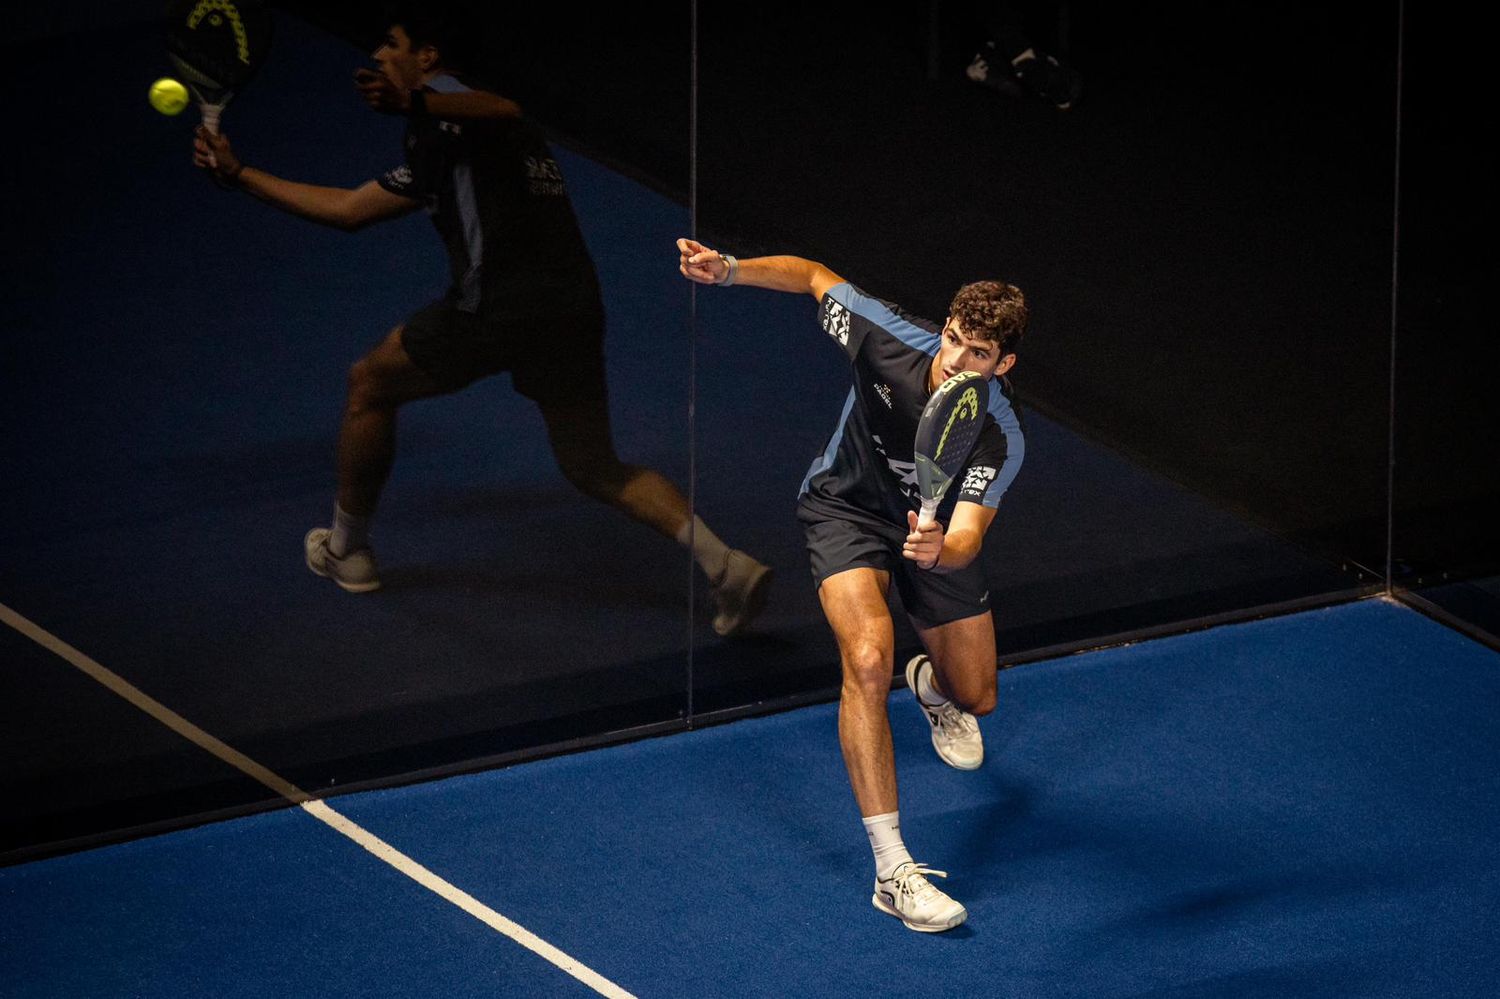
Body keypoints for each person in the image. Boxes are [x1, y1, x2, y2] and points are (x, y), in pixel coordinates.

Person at [191, 8, 770, 636]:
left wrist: (413, 105)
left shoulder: (460, 110)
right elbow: (352, 209)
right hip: (571, 309)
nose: (379, 56)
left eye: (392, 45)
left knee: (369, 384)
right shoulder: (443, 133)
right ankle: (726, 565)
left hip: (494, 307)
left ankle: (347, 550)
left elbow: (505, 107)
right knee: (593, 464)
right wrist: (242, 175)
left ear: (429, 58)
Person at [676, 237, 1026, 932]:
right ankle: (893, 869)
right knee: (867, 656)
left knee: (977, 695)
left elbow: (968, 539)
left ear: (1003, 364)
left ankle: (929, 685)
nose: (956, 361)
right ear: (944, 328)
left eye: (978, 355)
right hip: (845, 509)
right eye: (954, 340)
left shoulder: (1000, 433)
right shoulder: (883, 334)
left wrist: (940, 546)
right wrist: (732, 272)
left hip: (932, 540)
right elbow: (811, 276)